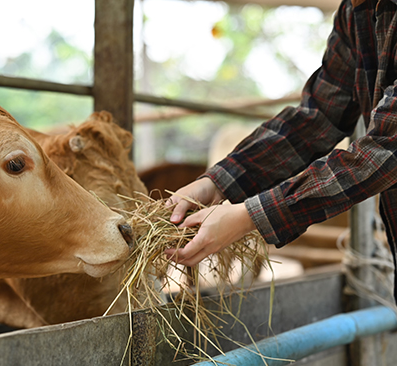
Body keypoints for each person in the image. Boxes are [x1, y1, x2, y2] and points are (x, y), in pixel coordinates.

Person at [165, 0, 397, 296]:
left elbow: (387, 149)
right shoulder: (357, 11)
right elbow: (318, 117)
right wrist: (217, 182)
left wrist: (247, 217)